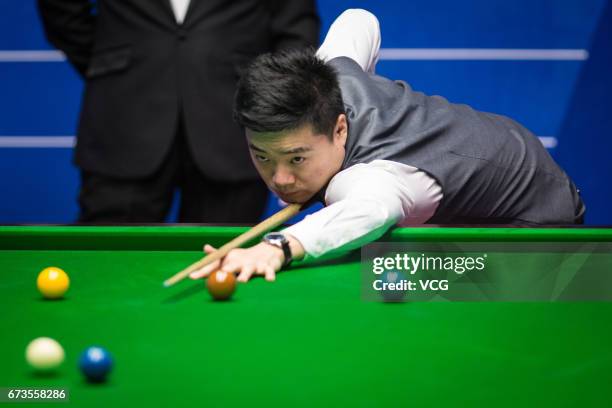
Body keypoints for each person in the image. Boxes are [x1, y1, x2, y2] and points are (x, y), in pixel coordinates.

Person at [189, 9, 585, 282]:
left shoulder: (375, 180)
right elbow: (359, 20)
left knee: (430, 304)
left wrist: (280, 246)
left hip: (539, 226)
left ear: (340, 129)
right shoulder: (329, 74)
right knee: (390, 273)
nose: (280, 178)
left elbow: (371, 209)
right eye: (262, 156)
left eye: (297, 158)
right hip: (493, 163)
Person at [37, 0, 320, 223]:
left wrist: (269, 100)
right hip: (124, 119)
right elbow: (62, 11)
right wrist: (112, 65)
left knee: (224, 266)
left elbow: (295, 27)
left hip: (234, 127)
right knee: (103, 269)